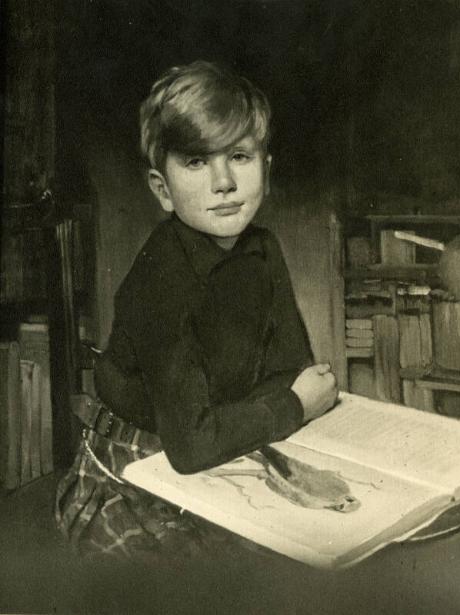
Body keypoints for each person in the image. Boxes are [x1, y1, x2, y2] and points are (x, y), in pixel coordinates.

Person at [55, 60, 338, 562]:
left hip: (228, 447)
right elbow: (190, 446)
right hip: (133, 471)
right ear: (162, 190)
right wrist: (291, 406)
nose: (224, 181)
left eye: (239, 156)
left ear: (265, 171)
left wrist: (278, 404)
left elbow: (288, 371)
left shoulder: (264, 250)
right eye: (196, 163)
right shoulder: (161, 279)